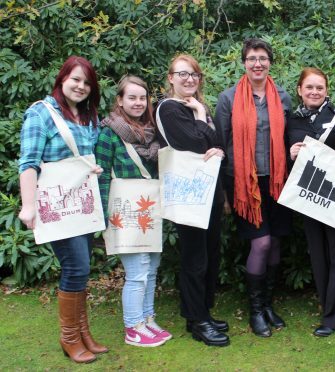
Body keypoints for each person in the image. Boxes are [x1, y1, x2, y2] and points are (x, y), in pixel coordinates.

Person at [18, 56, 108, 363]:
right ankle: (69, 337)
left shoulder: (87, 116)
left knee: (82, 268)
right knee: (76, 267)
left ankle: (83, 333)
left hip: (81, 204)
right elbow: (28, 163)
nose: (81, 86)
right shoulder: (40, 114)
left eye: (87, 82)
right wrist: (28, 206)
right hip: (56, 204)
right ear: (62, 80)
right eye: (75, 79)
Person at [215, 38, 292, 338]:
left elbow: (290, 137)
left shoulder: (283, 97)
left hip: (277, 181)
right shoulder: (228, 98)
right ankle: (256, 311)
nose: (257, 63)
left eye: (262, 58)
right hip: (245, 184)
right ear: (244, 63)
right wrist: (224, 191)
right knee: (260, 243)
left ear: (270, 61)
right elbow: (220, 143)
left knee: (274, 243)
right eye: (252, 58)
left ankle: (269, 305)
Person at [287, 67, 335, 337]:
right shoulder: (292, 121)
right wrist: (291, 152)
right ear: (299, 90)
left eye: (319, 87)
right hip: (310, 197)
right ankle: (330, 312)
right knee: (320, 257)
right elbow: (289, 162)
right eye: (309, 87)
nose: (314, 92)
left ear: (327, 90)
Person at [157, 54, 229, 347]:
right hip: (188, 195)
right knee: (195, 258)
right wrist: (200, 117)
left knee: (209, 255)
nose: (189, 79)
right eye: (183, 74)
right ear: (171, 78)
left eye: (194, 75)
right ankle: (197, 321)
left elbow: (217, 143)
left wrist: (219, 149)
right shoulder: (169, 109)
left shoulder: (198, 107)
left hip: (207, 193)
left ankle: (201, 313)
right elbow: (197, 142)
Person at [95, 75, 171, 347]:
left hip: (149, 209)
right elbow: (101, 176)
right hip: (123, 210)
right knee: (137, 271)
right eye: (132, 97)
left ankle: (147, 319)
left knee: (151, 268)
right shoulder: (109, 132)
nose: (139, 103)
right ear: (120, 100)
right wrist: (102, 217)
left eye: (143, 97)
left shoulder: (151, 132)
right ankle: (133, 327)